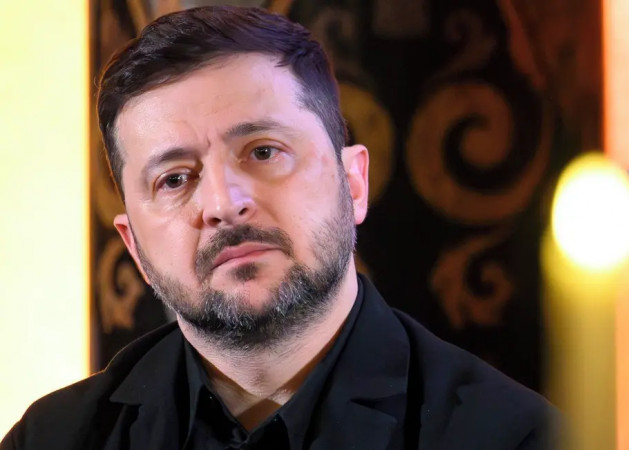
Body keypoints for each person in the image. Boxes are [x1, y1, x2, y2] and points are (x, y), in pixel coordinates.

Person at [1, 6, 557, 449]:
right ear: (134, 246)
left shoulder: (513, 437)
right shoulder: (53, 439)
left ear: (353, 182)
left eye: (263, 151)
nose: (223, 204)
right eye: (175, 179)